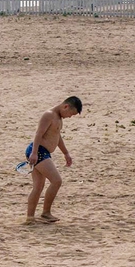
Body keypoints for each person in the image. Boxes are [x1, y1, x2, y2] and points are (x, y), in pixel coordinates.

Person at [25, 96, 83, 224]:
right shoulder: (49, 115)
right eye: (71, 114)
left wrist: (66, 153)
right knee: (56, 181)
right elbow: (38, 134)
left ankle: (30, 218)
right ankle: (45, 213)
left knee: (38, 186)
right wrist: (34, 153)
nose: (70, 117)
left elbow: (57, 136)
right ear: (66, 106)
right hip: (38, 151)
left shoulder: (58, 118)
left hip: (42, 152)